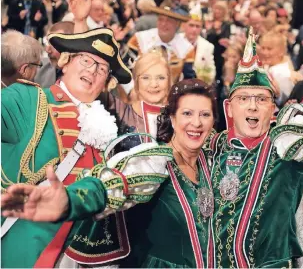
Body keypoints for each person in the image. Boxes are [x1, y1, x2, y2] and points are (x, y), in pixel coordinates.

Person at [4, 25, 303, 268]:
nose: (252, 107)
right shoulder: (191, 152)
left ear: (274, 109)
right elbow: (123, 182)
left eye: (262, 100)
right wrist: (69, 197)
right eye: (243, 98)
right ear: (228, 110)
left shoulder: (288, 144)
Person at [2, 79, 217, 268]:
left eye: (205, 115)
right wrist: (70, 200)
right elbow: (111, 185)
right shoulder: (156, 159)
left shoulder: (211, 162)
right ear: (171, 118)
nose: (196, 123)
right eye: (187, 113)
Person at [0, 28, 132, 268]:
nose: (92, 70)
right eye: (86, 60)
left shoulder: (111, 129)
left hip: (88, 254)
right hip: (33, 249)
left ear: (106, 83)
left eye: (102, 69)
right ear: (65, 62)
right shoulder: (29, 99)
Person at [107, 49, 172, 152]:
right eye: (146, 78)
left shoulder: (179, 117)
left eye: (161, 78)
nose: (154, 84)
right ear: (136, 83)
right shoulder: (121, 114)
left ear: (169, 81)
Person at [127, 2, 194, 84]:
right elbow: (126, 68)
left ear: (177, 24)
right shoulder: (139, 39)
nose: (163, 24)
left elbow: (188, 80)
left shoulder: (186, 49)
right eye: (161, 19)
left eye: (169, 21)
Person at [180, 5, 216, 85]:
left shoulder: (207, 46)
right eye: (191, 25)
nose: (194, 29)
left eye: (197, 26)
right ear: (184, 25)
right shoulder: (175, 41)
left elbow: (210, 72)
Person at [34, 21, 75, 88]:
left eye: (53, 44)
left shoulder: (86, 78)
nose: (47, 50)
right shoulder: (41, 72)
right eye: (47, 43)